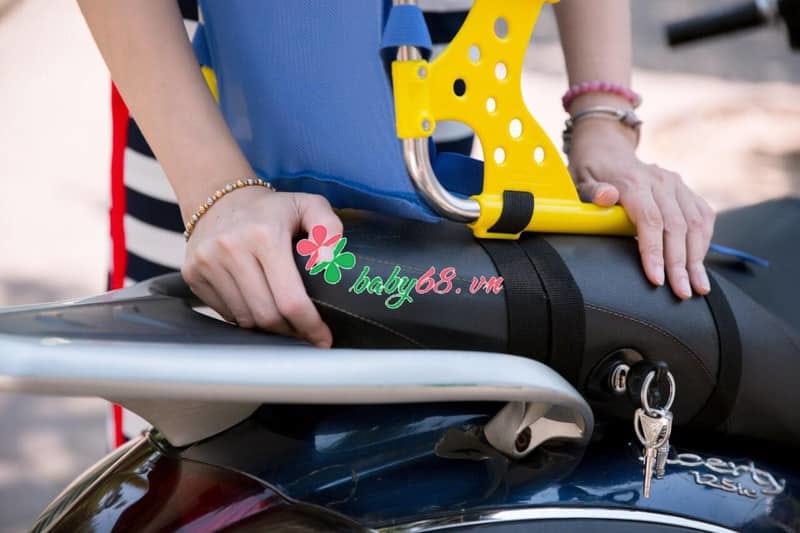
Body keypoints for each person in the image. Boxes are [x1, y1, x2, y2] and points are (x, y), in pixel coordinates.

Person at [78, 0, 715, 444]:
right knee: (190, 479)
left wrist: (603, 122)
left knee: (409, 467)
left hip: (434, 155)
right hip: (196, 144)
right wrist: (217, 191)